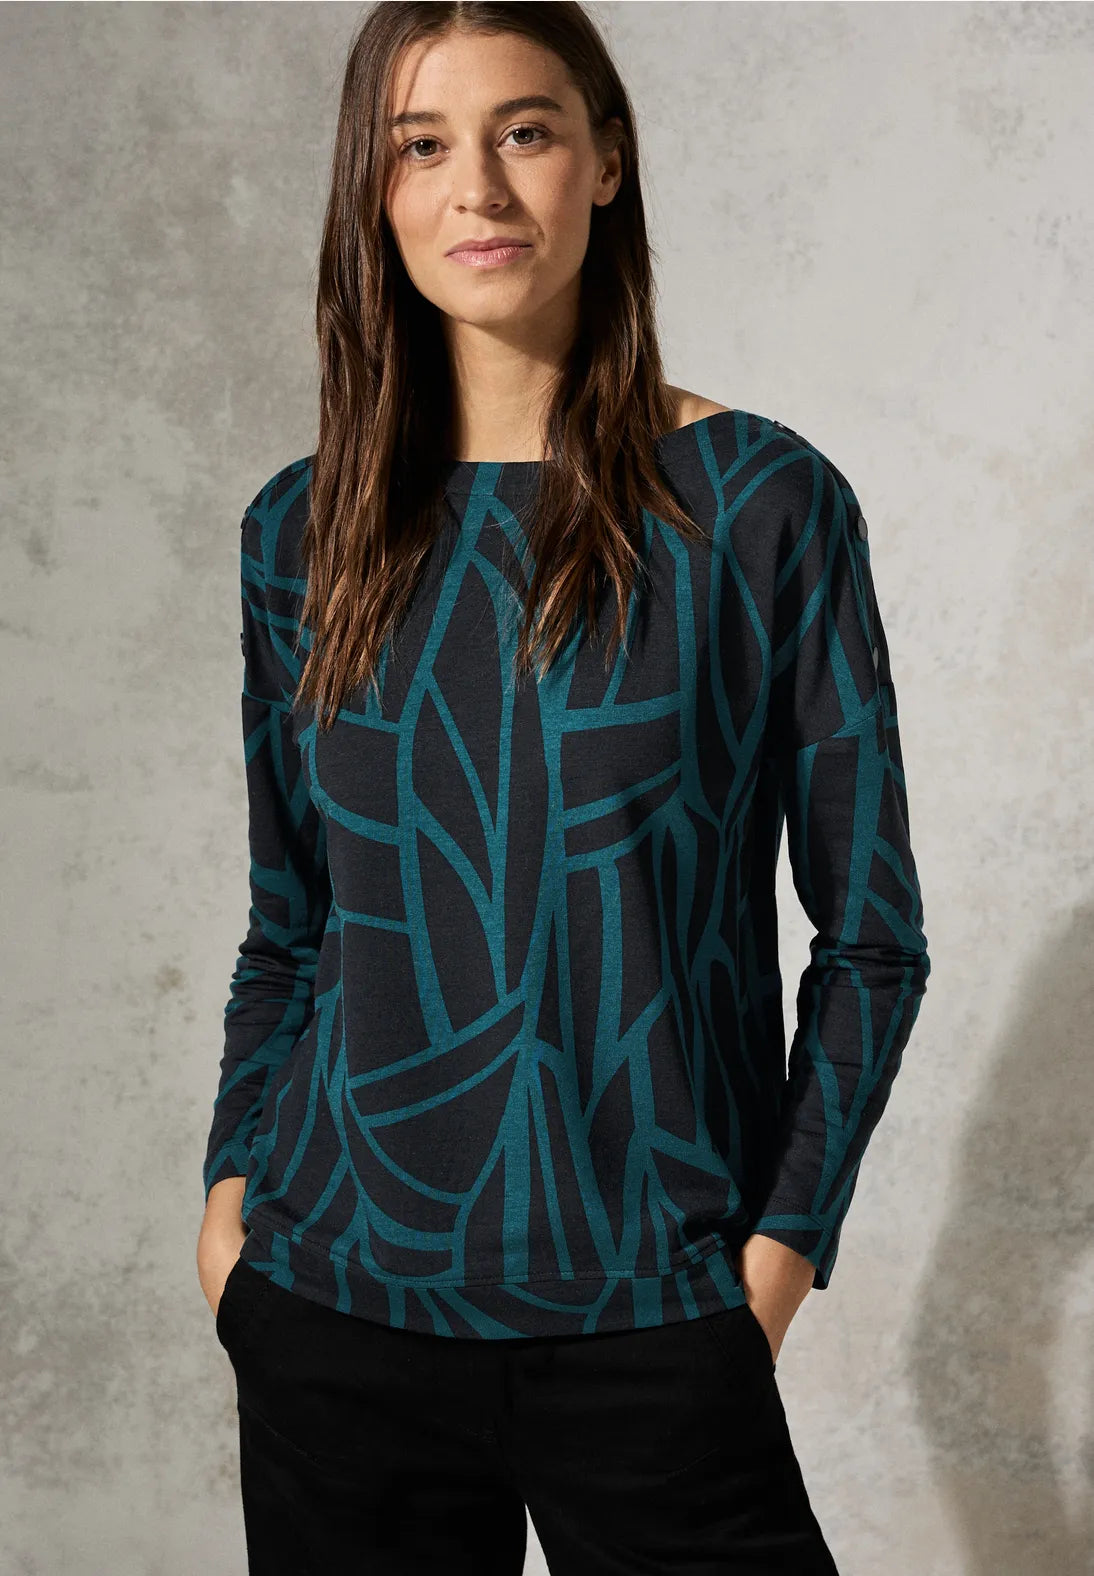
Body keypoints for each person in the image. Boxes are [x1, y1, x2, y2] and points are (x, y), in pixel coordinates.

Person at [196, 3, 930, 1572]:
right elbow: (292, 923)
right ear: (374, 188)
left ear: (606, 159)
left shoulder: (757, 507)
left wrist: (774, 1258)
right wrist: (230, 1200)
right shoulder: (297, 533)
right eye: (420, 146)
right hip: (333, 1311)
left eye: (522, 132)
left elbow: (871, 939)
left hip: (656, 1323)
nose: (476, 188)